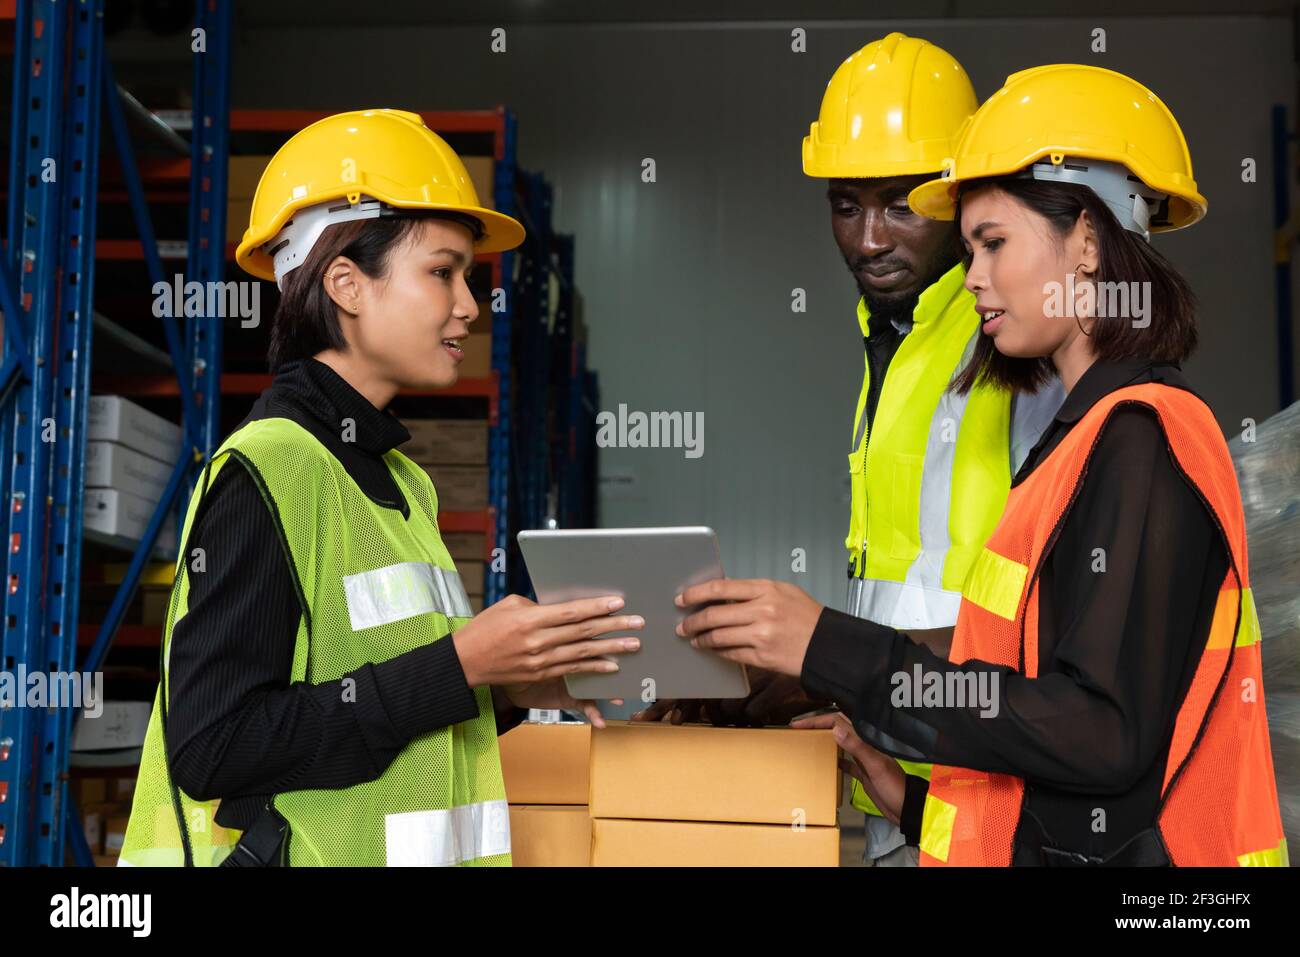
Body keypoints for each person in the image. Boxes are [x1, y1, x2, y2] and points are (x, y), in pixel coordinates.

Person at [675, 65, 1288, 866]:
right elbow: (1054, 755)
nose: (973, 278)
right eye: (969, 249)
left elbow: (1102, 736)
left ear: (1090, 241)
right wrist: (908, 793)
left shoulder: (1146, 435)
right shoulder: (1080, 443)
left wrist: (833, 649)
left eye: (994, 243)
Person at [119, 110, 643, 867]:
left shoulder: (402, 482)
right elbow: (214, 746)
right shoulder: (266, 471)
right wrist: (460, 663)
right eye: (442, 271)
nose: (469, 303)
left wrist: (510, 687)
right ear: (346, 284)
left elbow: (387, 709)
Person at [636, 33, 1062, 867]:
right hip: (901, 788)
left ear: (964, 197)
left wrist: (823, 649)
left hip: (996, 800)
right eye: (845, 204)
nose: (868, 239)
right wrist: (782, 680)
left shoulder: (1015, 350)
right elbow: (905, 605)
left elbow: (1058, 640)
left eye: (900, 204)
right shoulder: (896, 351)